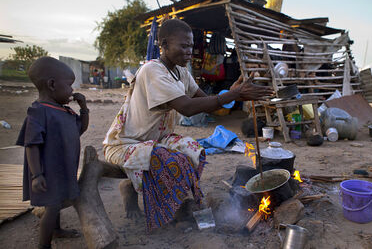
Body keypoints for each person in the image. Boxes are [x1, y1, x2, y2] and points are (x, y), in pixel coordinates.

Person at [103, 18, 273, 230]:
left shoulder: (181, 72)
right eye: (183, 46)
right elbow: (187, 107)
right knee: (168, 160)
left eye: (191, 46)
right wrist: (232, 94)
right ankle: (162, 209)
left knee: (193, 151)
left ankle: (175, 203)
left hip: (155, 140)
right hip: (126, 143)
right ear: (164, 45)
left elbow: (206, 104)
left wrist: (233, 94)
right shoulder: (152, 70)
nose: (189, 51)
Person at [16, 57, 89, 249]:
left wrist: (84, 109)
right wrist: (37, 175)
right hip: (48, 171)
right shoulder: (39, 111)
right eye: (70, 85)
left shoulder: (63, 110)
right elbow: (31, 145)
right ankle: (44, 245)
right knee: (52, 206)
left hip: (62, 166)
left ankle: (56, 230)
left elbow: (80, 129)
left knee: (56, 203)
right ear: (52, 84)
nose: (72, 90)